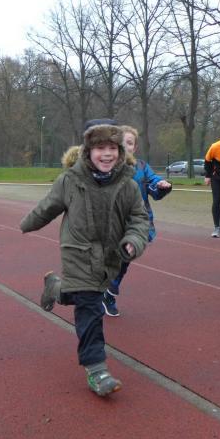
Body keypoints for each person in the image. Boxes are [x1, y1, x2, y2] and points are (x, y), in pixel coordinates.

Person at [20, 120, 149, 397]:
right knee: (90, 309)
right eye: (100, 148)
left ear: (121, 151)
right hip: (77, 253)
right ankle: (96, 370)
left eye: (112, 148)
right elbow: (49, 206)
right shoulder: (71, 180)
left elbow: (139, 219)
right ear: (88, 151)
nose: (107, 154)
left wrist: (134, 241)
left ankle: (55, 288)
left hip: (110, 257)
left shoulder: (128, 185)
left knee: (82, 296)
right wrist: (27, 224)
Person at [101, 124, 172, 317]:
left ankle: (108, 292)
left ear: (135, 147)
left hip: (137, 223)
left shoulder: (141, 167)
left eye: (130, 143)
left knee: (125, 258)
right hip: (113, 223)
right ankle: (104, 290)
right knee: (112, 258)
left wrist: (162, 185)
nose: (126, 146)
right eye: (122, 142)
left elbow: (153, 184)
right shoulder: (107, 166)